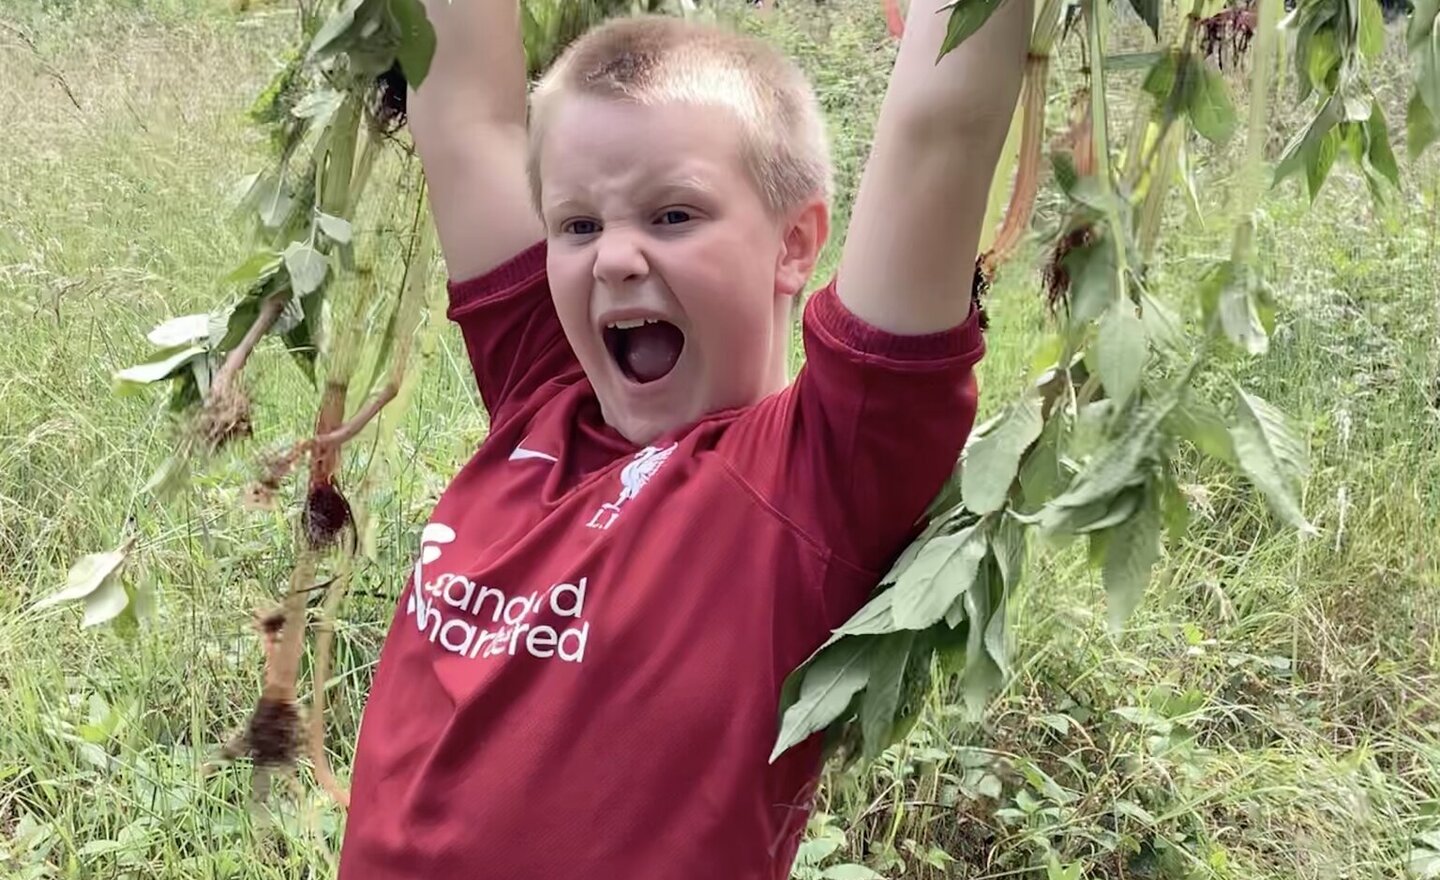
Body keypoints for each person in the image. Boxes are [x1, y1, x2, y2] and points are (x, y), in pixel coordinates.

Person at [337, 0, 1028, 876]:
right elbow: (463, 112)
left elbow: (944, 132)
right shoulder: (541, 389)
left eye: (672, 216)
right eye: (578, 224)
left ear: (794, 243)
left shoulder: (818, 473)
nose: (614, 258)